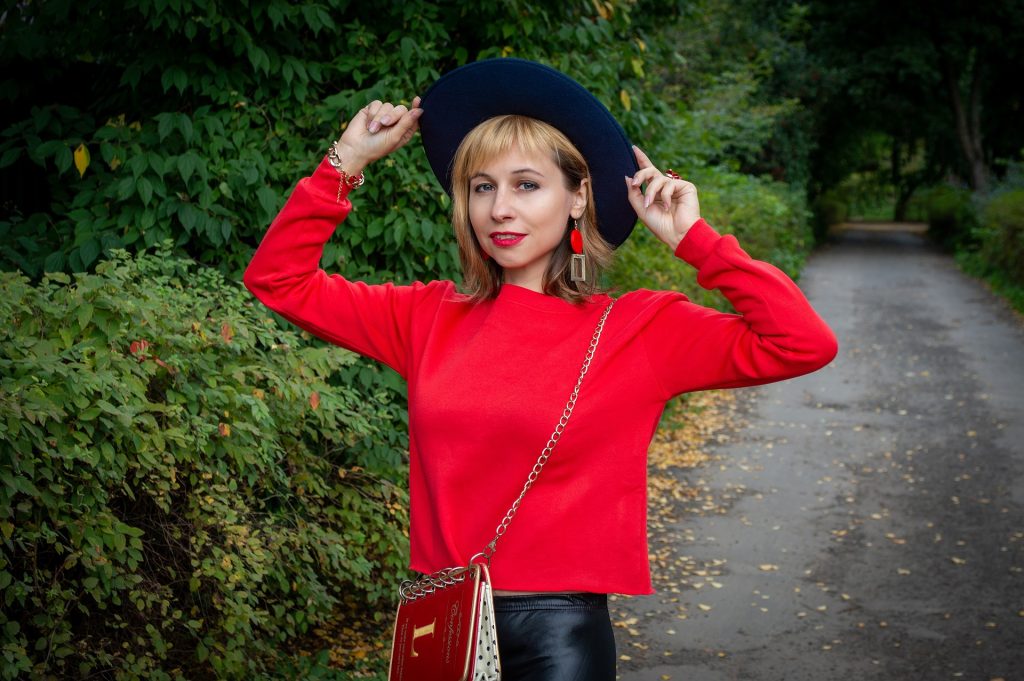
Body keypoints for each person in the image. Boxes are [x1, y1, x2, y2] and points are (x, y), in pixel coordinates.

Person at [244, 58, 837, 681]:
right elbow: (278, 280)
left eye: (527, 185)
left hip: (558, 638)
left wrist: (695, 239)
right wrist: (345, 161)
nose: (500, 208)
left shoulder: (641, 330)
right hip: (440, 623)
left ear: (578, 196)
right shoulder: (426, 317)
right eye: (482, 186)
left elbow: (802, 343)